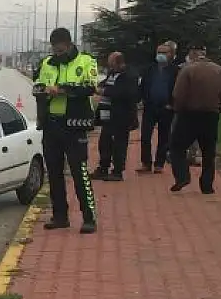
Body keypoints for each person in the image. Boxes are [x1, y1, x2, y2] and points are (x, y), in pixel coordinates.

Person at [33, 27, 100, 233]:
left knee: (79, 172)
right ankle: (60, 215)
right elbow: (36, 87)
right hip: (51, 125)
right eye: (55, 50)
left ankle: (89, 218)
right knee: (53, 173)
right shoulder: (46, 63)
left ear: (69, 45)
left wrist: (61, 89)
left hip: (74, 125)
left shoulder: (86, 61)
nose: (57, 54)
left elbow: (90, 87)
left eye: (61, 50)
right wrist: (44, 89)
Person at [169, 43, 221, 194]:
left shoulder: (188, 70)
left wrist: (178, 109)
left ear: (193, 54)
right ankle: (207, 185)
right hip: (211, 115)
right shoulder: (219, 70)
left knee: (177, 147)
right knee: (208, 151)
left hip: (189, 114)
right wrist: (219, 108)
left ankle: (182, 176)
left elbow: (179, 93)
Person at [93, 52, 138, 181]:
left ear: (118, 63)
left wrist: (104, 91)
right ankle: (103, 168)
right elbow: (106, 83)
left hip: (121, 116)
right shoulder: (112, 74)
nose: (110, 65)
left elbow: (124, 93)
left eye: (111, 63)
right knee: (104, 143)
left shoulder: (129, 76)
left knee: (119, 144)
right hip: (107, 114)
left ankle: (117, 171)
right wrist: (99, 86)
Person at [137, 42, 179, 174]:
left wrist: (171, 104)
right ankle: (146, 163)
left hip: (166, 108)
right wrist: (141, 99)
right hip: (150, 106)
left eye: (164, 52)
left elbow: (178, 89)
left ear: (171, 54)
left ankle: (159, 164)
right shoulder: (150, 69)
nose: (160, 55)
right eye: (158, 52)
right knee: (145, 136)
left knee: (164, 137)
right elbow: (143, 86)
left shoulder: (175, 71)